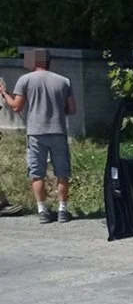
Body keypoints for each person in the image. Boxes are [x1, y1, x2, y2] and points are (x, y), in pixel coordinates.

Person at [0, 49, 76, 223]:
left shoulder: (25, 80)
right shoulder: (63, 81)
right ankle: (63, 210)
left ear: (33, 62)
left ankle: (42, 210)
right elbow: (72, 109)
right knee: (62, 173)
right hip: (58, 130)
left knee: (37, 173)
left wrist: (4, 94)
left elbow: (17, 106)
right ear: (48, 62)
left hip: (35, 132)